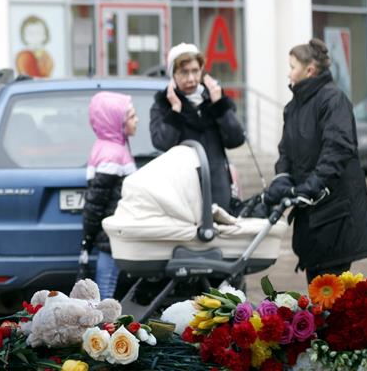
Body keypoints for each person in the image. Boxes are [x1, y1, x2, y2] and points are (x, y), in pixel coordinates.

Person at [263, 39, 367, 282]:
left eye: (292, 66)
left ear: (309, 70)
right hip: (311, 215)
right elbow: (286, 151)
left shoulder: (332, 100)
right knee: (317, 290)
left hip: (336, 212)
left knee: (331, 292)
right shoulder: (292, 108)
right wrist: (282, 179)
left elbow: (338, 147)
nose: (288, 72)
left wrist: (314, 184)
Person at [150, 43, 245, 212]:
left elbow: (236, 139)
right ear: (173, 74)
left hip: (218, 190)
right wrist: (176, 111)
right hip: (183, 192)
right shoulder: (163, 104)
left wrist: (219, 106)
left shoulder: (214, 98)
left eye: (195, 71)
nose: (191, 78)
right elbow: (163, 143)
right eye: (184, 72)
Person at [81, 92, 138, 300]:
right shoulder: (113, 154)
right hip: (111, 231)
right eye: (131, 116)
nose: (136, 120)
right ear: (115, 122)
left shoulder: (111, 147)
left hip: (110, 230)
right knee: (105, 288)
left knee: (106, 284)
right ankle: (102, 327)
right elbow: (96, 201)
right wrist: (89, 233)